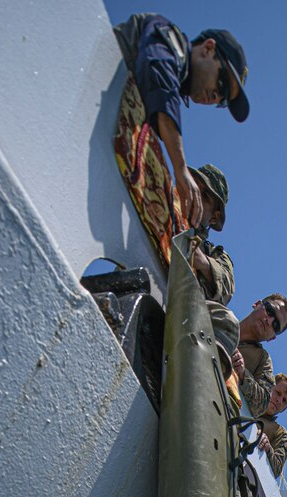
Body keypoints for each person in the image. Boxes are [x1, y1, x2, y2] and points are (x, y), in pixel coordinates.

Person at [114, 16, 249, 227]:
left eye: (222, 101)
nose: (215, 97)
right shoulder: (168, 37)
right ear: (208, 48)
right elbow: (160, 82)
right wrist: (180, 168)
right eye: (222, 84)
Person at [231, 294, 287, 416]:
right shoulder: (221, 318)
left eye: (275, 325)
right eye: (270, 311)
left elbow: (262, 404)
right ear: (257, 304)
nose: (269, 321)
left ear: (272, 338)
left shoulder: (262, 361)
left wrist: (243, 374)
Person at [189, 163, 236, 305]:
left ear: (214, 217)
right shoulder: (162, 203)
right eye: (194, 186)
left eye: (204, 195)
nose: (195, 195)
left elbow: (226, 288)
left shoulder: (213, 253)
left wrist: (203, 263)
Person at [256, 374, 287, 478]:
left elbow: (276, 470)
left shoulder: (279, 433)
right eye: (278, 393)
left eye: (284, 401)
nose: (279, 400)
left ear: (285, 408)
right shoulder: (245, 401)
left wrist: (268, 448)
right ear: (270, 387)